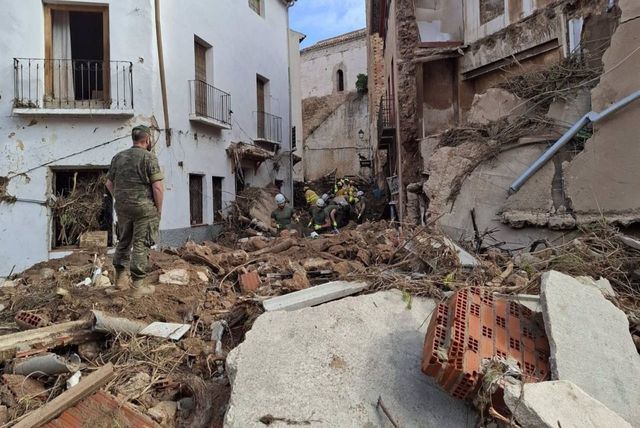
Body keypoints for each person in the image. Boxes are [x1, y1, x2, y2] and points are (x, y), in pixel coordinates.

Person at [106, 125, 163, 298]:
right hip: (143, 209)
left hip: (123, 208)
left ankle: (120, 281)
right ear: (146, 140)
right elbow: (158, 187)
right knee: (140, 244)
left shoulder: (118, 157)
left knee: (123, 241)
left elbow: (108, 183)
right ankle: (137, 287)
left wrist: (120, 198)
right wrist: (158, 210)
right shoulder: (149, 158)